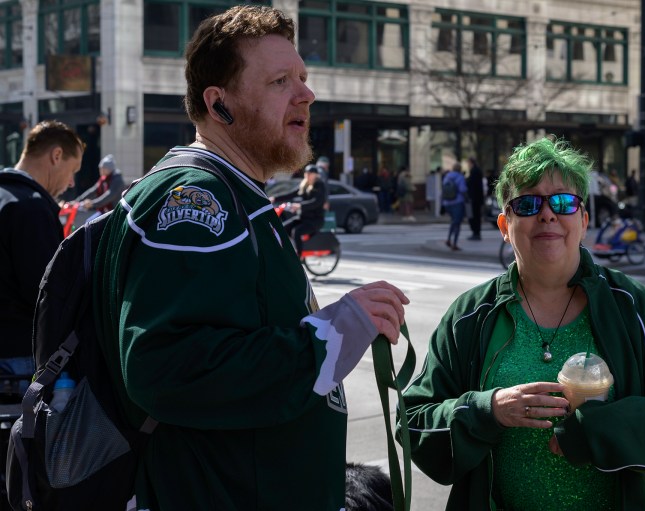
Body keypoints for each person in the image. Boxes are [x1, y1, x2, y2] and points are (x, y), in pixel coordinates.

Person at [91, 6, 409, 510]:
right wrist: (332, 335)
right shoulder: (199, 202)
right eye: (280, 81)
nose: (306, 93)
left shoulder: (232, 194)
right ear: (220, 105)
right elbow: (167, 370)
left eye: (303, 77)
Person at [397, 137, 645, 510]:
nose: (547, 215)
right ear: (505, 224)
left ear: (583, 220)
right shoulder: (471, 315)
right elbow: (413, 422)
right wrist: (488, 410)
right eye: (528, 204)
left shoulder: (631, 307)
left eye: (563, 202)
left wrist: (594, 431)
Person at [0, 120, 84, 393]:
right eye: (73, 171)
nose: (71, 183)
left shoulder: (7, 198)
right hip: (18, 356)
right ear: (56, 155)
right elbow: (46, 293)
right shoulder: (31, 208)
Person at [283, 164, 328, 256]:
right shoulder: (304, 185)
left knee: (296, 231)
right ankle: (290, 249)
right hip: (303, 218)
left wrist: (300, 206)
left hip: (315, 220)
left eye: (310, 173)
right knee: (283, 228)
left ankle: (299, 256)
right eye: (306, 173)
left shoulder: (319, 185)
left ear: (316, 175)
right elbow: (291, 194)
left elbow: (316, 202)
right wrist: (274, 198)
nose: (307, 175)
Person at [442, 162, 467, 250]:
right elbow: (462, 189)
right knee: (457, 223)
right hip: (457, 202)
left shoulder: (447, 176)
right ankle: (454, 244)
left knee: (453, 221)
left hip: (447, 203)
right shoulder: (460, 177)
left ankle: (448, 239)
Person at [466, 157, 484, 240]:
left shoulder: (474, 171)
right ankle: (476, 232)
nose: (467, 165)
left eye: (468, 163)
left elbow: (472, 185)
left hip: (474, 198)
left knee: (474, 216)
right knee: (476, 215)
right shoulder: (476, 171)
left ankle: (476, 233)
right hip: (477, 198)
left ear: (471, 163)